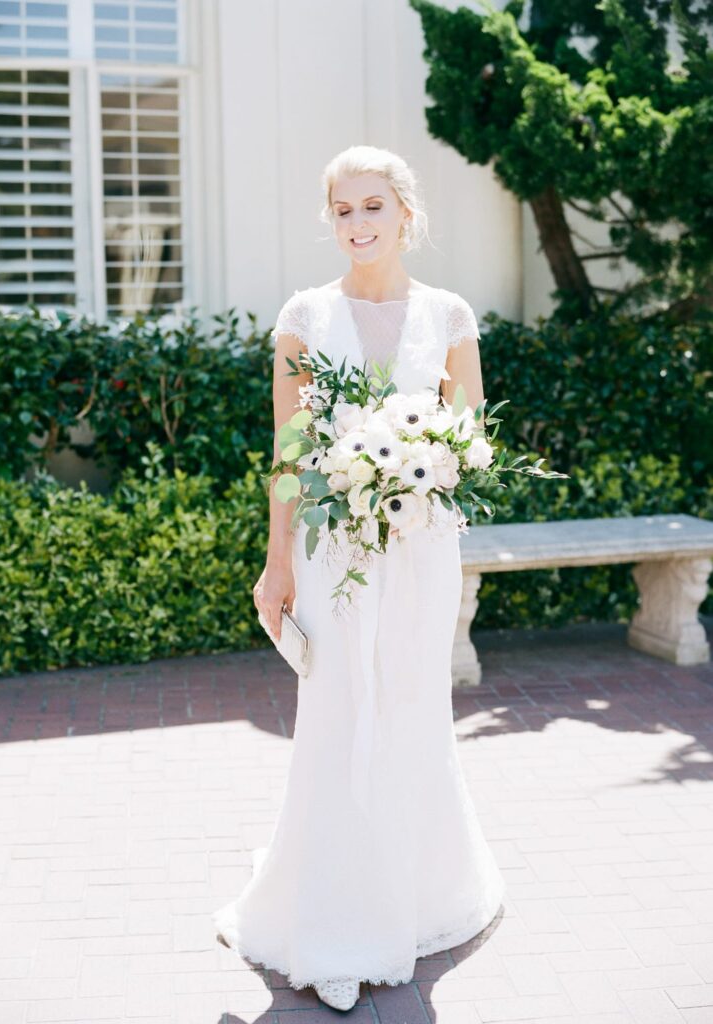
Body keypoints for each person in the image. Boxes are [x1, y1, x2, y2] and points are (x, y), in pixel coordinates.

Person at [213, 145, 506, 1012]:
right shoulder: (305, 316)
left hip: (419, 546)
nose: (358, 225)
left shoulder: (448, 316)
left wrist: (426, 468)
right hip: (333, 552)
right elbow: (290, 453)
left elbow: (471, 441)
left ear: (406, 213)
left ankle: (418, 890)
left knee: (412, 709)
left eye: (373, 207)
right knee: (340, 715)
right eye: (343, 211)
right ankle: (336, 921)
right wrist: (276, 564)